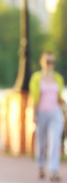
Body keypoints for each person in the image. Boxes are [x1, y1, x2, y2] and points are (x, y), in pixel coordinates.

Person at [30, 51, 64, 181]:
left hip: (55, 113)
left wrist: (62, 101)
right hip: (42, 113)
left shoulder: (58, 78)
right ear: (41, 62)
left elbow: (58, 96)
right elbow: (34, 99)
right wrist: (34, 114)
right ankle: (40, 166)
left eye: (52, 62)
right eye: (47, 61)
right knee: (41, 142)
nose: (50, 64)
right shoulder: (36, 78)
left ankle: (53, 170)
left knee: (55, 141)